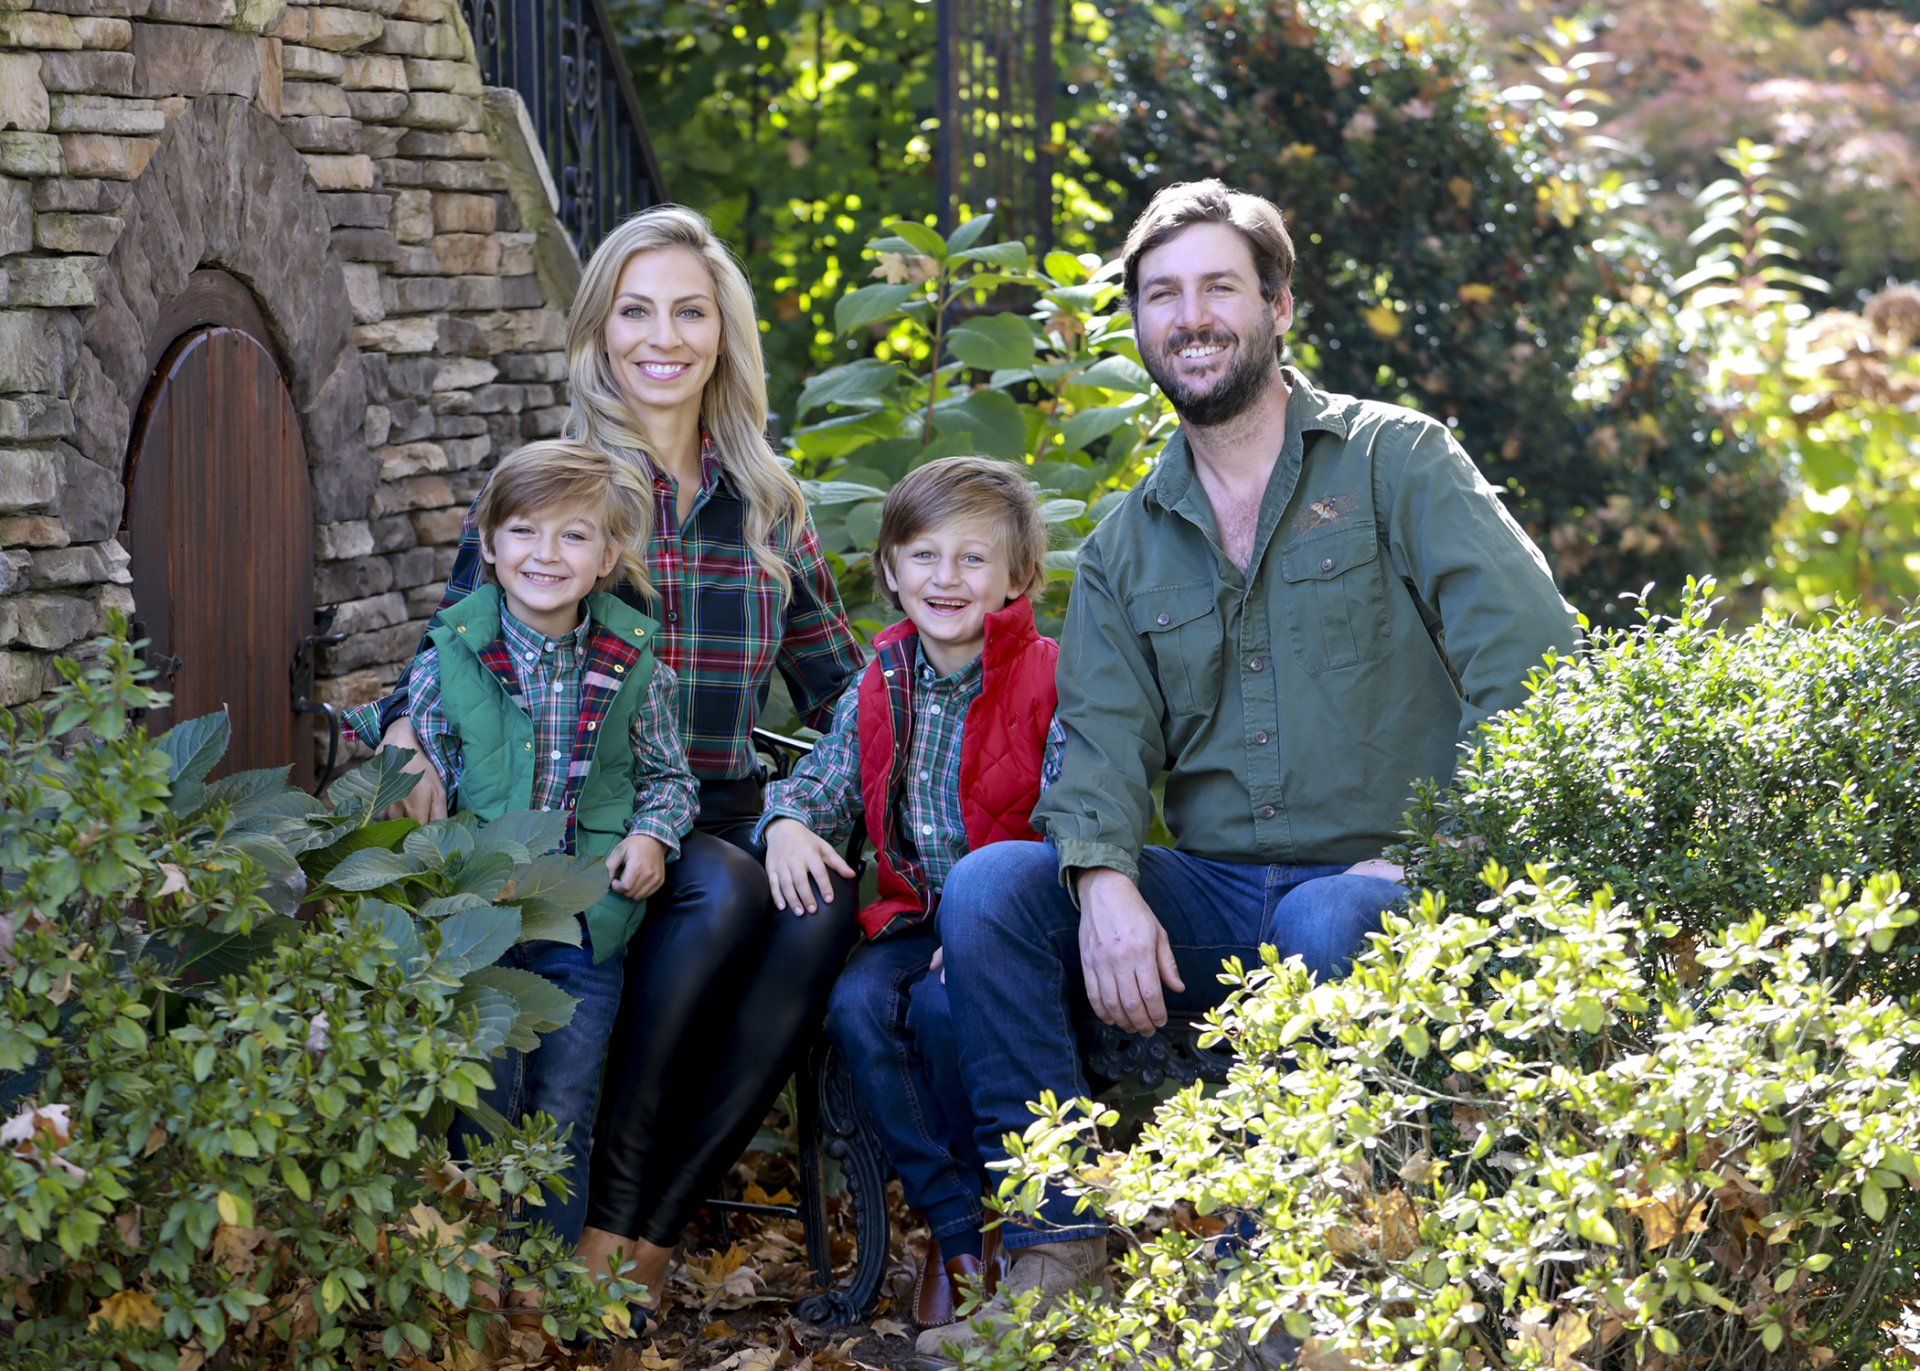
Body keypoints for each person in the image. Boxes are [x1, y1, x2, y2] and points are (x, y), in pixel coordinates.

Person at [921, 180, 1581, 1358]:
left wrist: (1438, 853)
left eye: (1220, 286)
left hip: (1388, 885)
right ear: (1137, 327)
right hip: (1223, 895)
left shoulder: (1398, 462)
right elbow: (1103, 745)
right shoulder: (1129, 540)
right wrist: (1104, 880)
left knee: (1335, 916)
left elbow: (1536, 672)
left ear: (1278, 303)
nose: (1193, 316)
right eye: (1163, 295)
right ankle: (1057, 1242)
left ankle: (1274, 1278)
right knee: (990, 891)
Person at [344, 205, 866, 1318]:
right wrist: (400, 734)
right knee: (720, 886)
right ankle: (599, 1220)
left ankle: (648, 1226)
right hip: (590, 822)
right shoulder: (556, 487)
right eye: (636, 311)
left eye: (689, 311)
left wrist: (807, 808)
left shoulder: (771, 501)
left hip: (727, 804)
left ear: (723, 335)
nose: (662, 337)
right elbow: (453, 645)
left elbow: (855, 697)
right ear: (599, 330)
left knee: (817, 904)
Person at [754, 457, 1063, 1335]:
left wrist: (988, 925)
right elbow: (821, 783)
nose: (947, 578)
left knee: (938, 1008)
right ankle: (955, 1231)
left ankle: (1005, 1219)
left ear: (1017, 576)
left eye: (974, 559)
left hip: (1015, 923)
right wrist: (783, 824)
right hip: (913, 915)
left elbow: (1076, 813)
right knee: (857, 1001)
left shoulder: (1048, 675)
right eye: (924, 556)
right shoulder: (882, 680)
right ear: (890, 570)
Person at [407, 440, 696, 1268]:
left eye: (574, 537)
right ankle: (472, 1266)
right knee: (481, 1089)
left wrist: (651, 834)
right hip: (480, 922)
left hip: (583, 922)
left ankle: (544, 1274)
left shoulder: (636, 664)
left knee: (566, 1096)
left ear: (608, 557)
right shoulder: (451, 657)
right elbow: (417, 754)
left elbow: (668, 777)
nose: (546, 555)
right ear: (489, 544)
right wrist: (406, 764)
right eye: (525, 532)